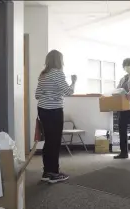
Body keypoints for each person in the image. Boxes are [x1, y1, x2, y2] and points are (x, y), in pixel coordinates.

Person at [35, 49, 77, 183]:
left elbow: (37, 95)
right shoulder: (58, 73)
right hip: (54, 111)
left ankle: (47, 172)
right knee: (55, 142)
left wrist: (47, 94)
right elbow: (68, 92)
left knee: (48, 141)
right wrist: (74, 81)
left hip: (42, 110)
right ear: (59, 61)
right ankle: (53, 173)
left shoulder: (43, 75)